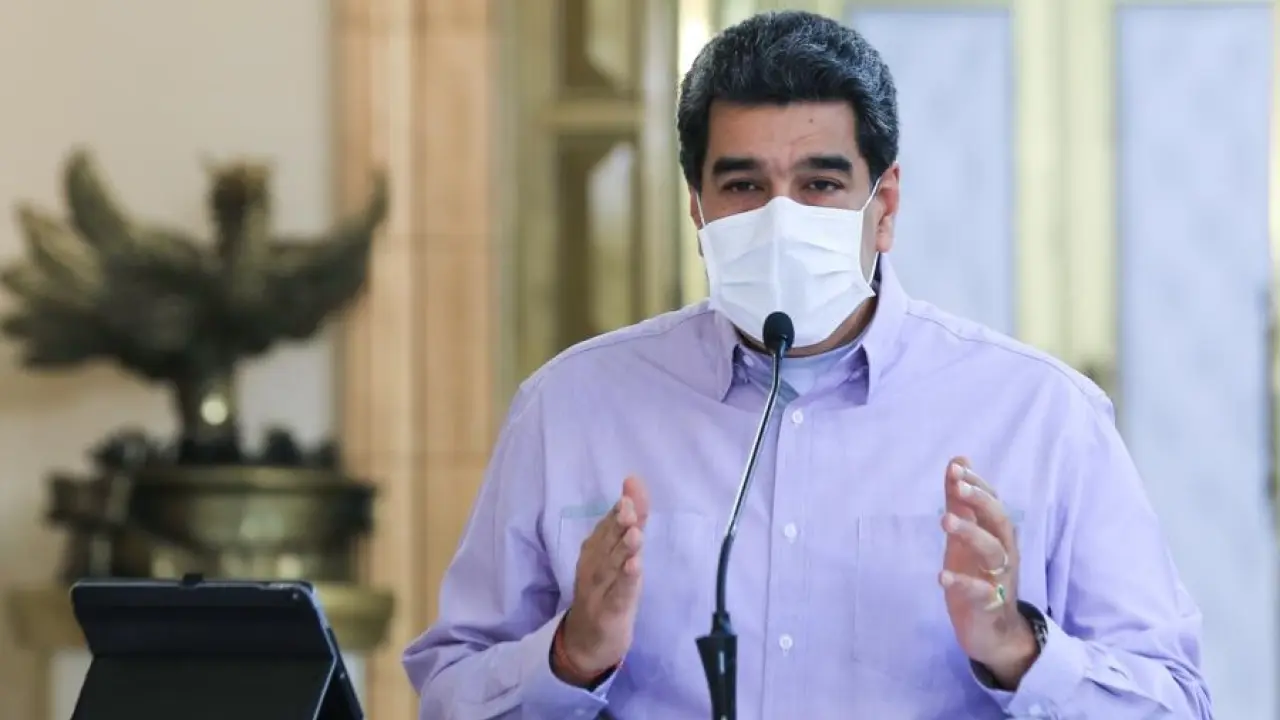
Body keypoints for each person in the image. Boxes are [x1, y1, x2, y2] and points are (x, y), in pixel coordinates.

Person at [403, 10, 1211, 719]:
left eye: (820, 183)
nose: (780, 220)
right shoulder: (569, 409)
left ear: (884, 207)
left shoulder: (1041, 415)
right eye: (743, 185)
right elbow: (448, 692)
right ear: (697, 209)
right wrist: (571, 655)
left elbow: (1177, 701)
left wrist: (1016, 647)